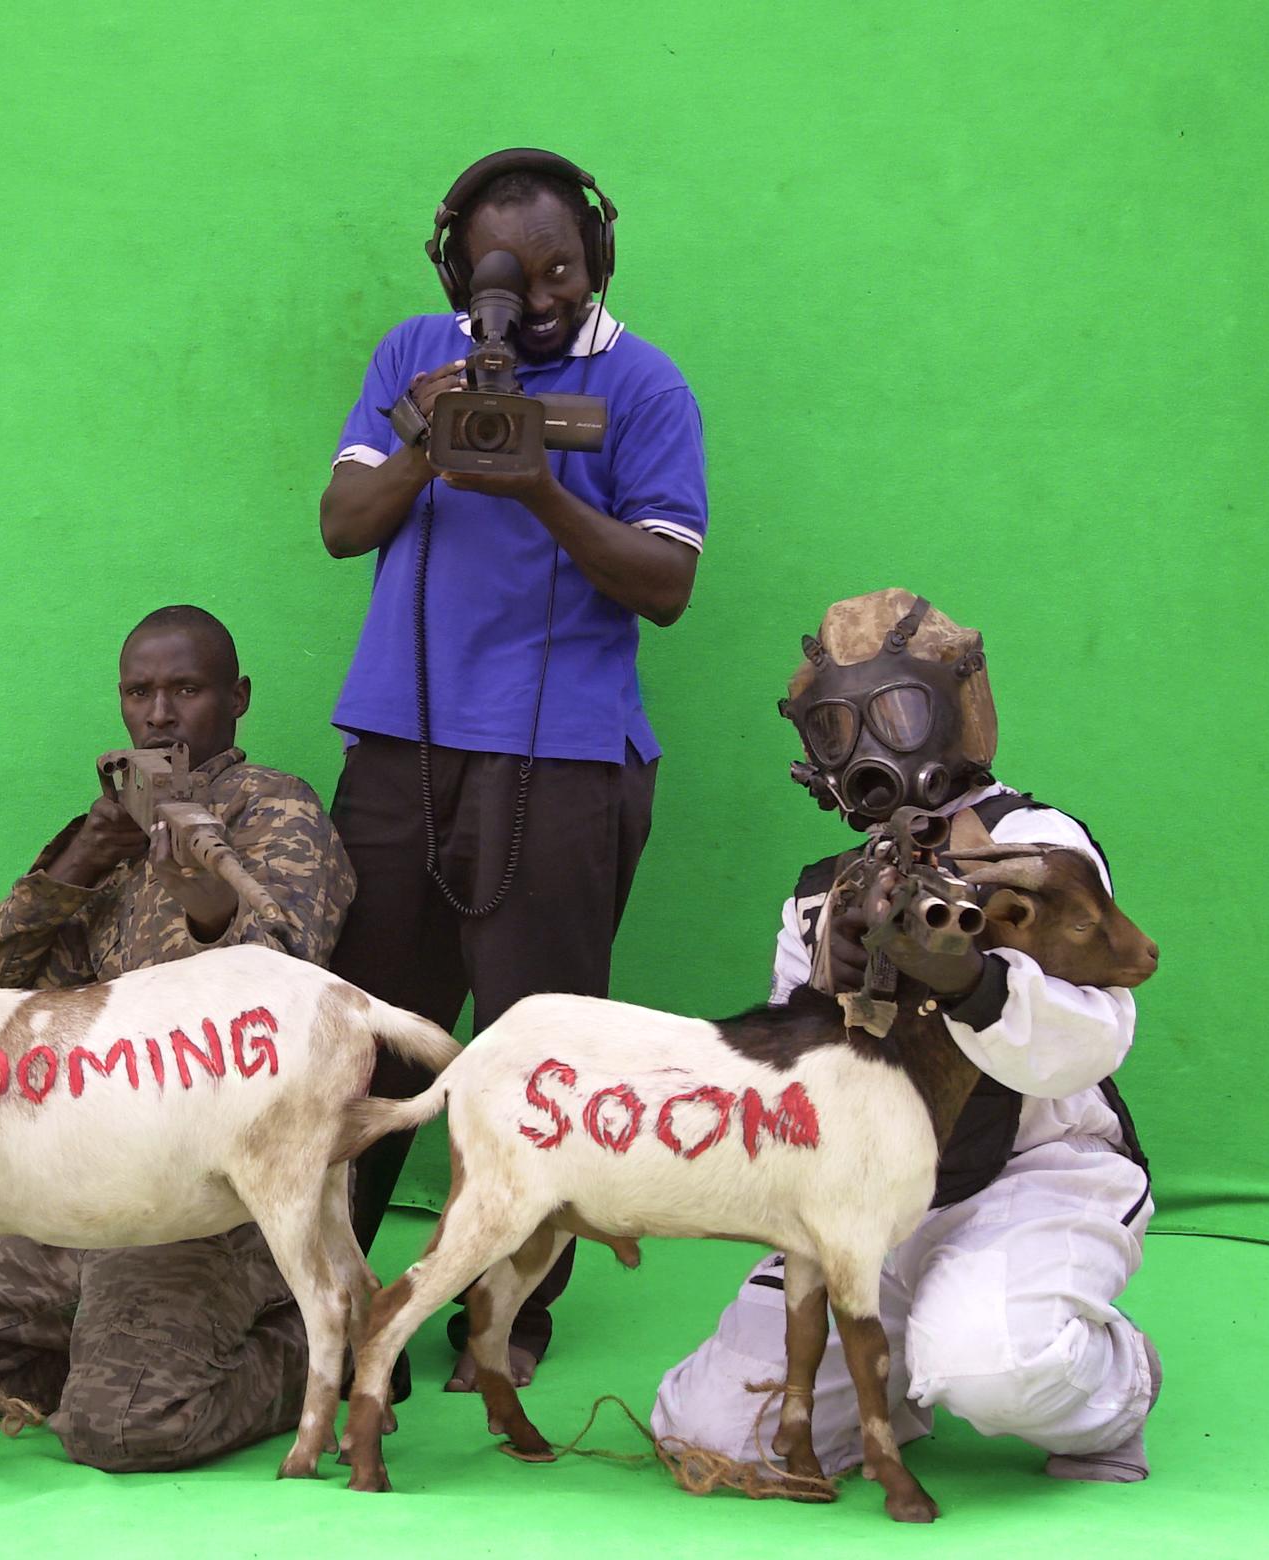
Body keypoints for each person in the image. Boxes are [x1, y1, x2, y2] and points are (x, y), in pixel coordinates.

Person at [319, 148, 708, 1390]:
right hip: (401, 743)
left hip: (565, 761)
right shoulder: (406, 358)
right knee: (369, 1037)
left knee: (537, 1054)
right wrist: (431, 442)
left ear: (597, 257)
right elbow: (340, 526)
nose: (533, 298)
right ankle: (321, 1295)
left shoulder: (645, 388)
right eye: (504, 274)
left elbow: (667, 585)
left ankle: (506, 1313)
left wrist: (536, 482)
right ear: (454, 269)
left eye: (558, 271)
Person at [650, 589, 1159, 1484]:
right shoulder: (818, 895)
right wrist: (826, 994)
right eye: (837, 730)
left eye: (896, 712)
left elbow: (1094, 1043)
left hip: (1030, 1175)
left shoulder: (1036, 847)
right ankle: (902, 1383)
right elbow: (790, 1105)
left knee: (998, 1366)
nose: (870, 749)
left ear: (960, 707)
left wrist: (973, 981)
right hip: (873, 1201)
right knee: (717, 1435)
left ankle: (1113, 1388)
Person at [0, 604, 356, 1470]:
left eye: (186, 688)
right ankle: (117, 1339)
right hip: (87, 1180)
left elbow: (287, 987)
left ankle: (325, 1328)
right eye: (140, 691)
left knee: (124, 1425)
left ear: (237, 697)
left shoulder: (275, 811)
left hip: (223, 1194)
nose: (160, 713)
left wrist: (209, 896)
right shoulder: (107, 834)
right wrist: (76, 865)